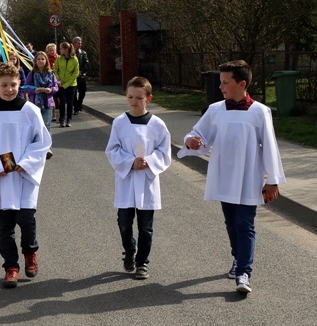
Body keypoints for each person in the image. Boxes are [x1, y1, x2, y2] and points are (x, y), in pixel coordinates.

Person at [177, 60, 285, 294]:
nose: (221, 87)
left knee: (245, 223)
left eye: (226, 82)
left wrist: (272, 179)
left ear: (242, 84)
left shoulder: (260, 111)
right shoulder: (215, 110)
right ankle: (237, 259)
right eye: (220, 82)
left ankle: (244, 271)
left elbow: (269, 146)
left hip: (249, 177)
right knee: (231, 223)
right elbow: (198, 134)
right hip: (224, 176)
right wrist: (191, 141)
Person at [0, 62, 52, 288]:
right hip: (1, 175)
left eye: (14, 85)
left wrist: (26, 162)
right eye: (4, 85)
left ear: (21, 84)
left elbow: (43, 141)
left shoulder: (31, 111)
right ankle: (11, 266)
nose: (9, 89)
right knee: (5, 225)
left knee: (26, 220)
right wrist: (0, 164)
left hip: (24, 175)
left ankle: (30, 252)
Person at [105, 76, 172, 280]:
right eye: (130, 97)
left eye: (139, 98)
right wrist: (129, 162)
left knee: (145, 226)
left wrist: (150, 161)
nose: (134, 101)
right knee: (124, 222)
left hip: (147, 181)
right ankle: (129, 249)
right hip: (127, 180)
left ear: (148, 99)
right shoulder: (119, 123)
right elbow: (112, 150)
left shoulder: (158, 125)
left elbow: (164, 151)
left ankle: (142, 262)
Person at [24, 51, 58, 159]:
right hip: (35, 103)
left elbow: (56, 87)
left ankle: (47, 148)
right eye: (38, 59)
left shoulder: (51, 73)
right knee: (36, 127)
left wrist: (50, 90)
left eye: (42, 59)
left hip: (47, 103)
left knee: (47, 126)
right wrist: (35, 90)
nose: (40, 61)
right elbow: (26, 87)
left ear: (46, 60)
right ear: (35, 61)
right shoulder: (32, 73)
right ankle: (36, 148)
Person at [53, 42, 79, 128]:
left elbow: (75, 73)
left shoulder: (74, 59)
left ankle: (69, 119)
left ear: (66, 49)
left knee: (70, 102)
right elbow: (55, 70)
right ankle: (62, 119)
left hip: (71, 85)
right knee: (62, 102)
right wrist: (59, 80)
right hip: (61, 84)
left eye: (61, 48)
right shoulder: (59, 59)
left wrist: (66, 84)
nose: (59, 50)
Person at [72, 37, 89, 115]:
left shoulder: (83, 53)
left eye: (81, 43)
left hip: (81, 75)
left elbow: (86, 63)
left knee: (83, 91)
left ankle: (79, 103)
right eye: (78, 43)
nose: (80, 45)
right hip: (72, 77)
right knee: (74, 93)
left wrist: (81, 72)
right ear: (74, 43)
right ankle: (76, 108)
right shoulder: (70, 53)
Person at [45, 43, 59, 122]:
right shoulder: (46, 58)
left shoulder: (58, 58)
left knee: (58, 98)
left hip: (58, 78)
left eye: (53, 50)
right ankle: (53, 114)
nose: (52, 52)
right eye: (50, 50)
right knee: (52, 98)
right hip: (49, 79)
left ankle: (58, 112)